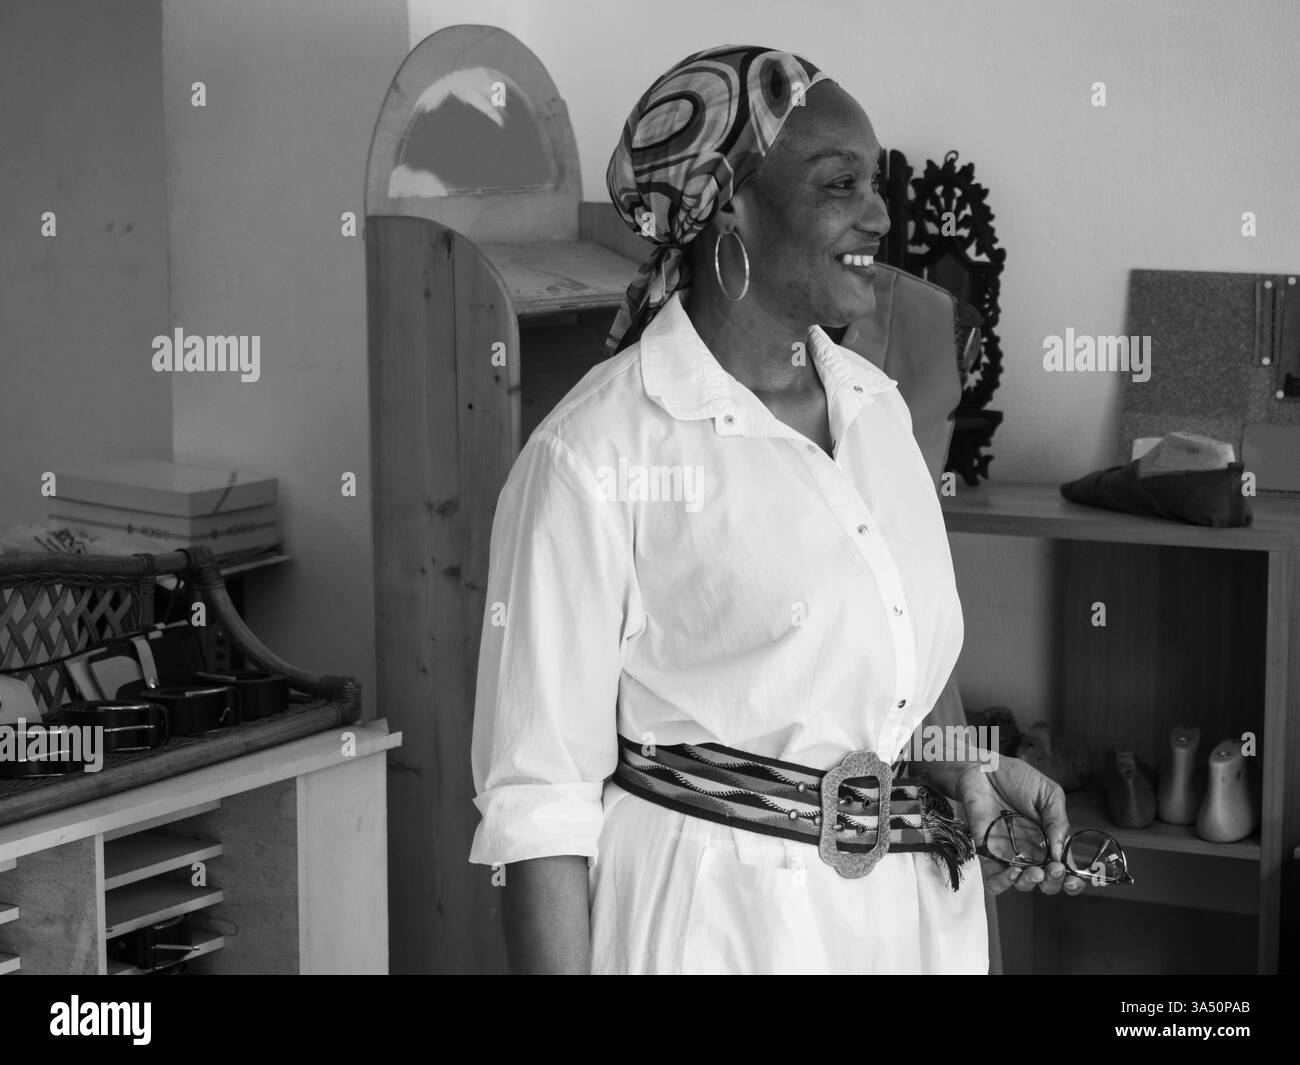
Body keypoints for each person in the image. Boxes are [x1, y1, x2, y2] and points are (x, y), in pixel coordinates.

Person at [469, 44, 1086, 975]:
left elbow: (893, 684)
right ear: (730, 203)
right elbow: (538, 809)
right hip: (717, 938)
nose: (879, 213)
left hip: (907, 931)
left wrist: (967, 763)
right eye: (839, 183)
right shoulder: (592, 454)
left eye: (875, 184)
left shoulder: (876, 413)